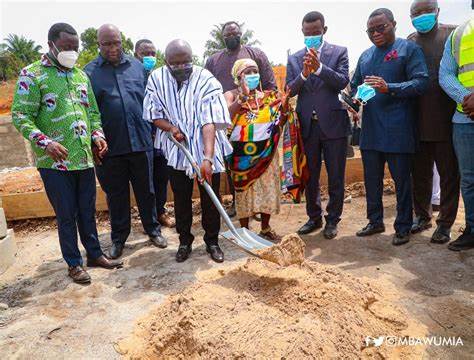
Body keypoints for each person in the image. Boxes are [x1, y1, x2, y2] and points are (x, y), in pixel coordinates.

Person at [11, 23, 122, 284]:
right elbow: (20, 116)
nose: (72, 52)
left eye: (75, 47)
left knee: (87, 210)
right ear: (51, 45)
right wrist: (45, 142)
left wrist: (98, 135)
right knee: (66, 214)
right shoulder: (32, 75)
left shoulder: (81, 76)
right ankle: (74, 264)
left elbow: (92, 113)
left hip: (83, 158)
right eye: (66, 47)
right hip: (55, 162)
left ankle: (94, 254)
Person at [143, 39, 232, 263]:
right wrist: (171, 128)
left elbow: (209, 121)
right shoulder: (156, 79)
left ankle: (212, 241)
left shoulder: (205, 79)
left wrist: (207, 158)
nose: (182, 67)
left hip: (206, 146)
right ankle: (185, 241)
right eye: (176, 63)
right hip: (178, 150)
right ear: (166, 62)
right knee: (181, 198)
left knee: (210, 199)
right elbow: (153, 114)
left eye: (187, 62)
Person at [84, 24, 166, 259]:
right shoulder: (89, 73)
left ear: (122, 42)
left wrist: (153, 131)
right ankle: (119, 238)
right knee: (116, 195)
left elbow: (151, 101)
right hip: (110, 147)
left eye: (116, 42)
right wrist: (93, 141)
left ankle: (153, 230)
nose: (112, 48)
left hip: (141, 142)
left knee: (146, 191)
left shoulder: (138, 68)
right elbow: (87, 111)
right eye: (106, 43)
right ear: (98, 44)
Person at [351, 8, 429, 245]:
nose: (375, 33)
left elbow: (421, 82)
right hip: (371, 130)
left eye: (381, 27)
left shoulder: (409, 49)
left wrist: (389, 87)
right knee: (371, 180)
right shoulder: (365, 56)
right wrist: (351, 101)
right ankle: (375, 221)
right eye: (371, 30)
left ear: (394, 24)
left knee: (402, 181)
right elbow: (355, 87)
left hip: (398, 128)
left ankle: (403, 226)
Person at [286, 11, 350, 239]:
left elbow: (343, 81)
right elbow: (289, 90)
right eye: (307, 32)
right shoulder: (294, 59)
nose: (311, 35)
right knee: (310, 175)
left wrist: (320, 68)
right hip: (307, 127)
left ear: (324, 30)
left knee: (336, 176)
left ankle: (332, 220)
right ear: (302, 32)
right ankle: (314, 217)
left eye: (316, 32)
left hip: (333, 124)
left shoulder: (339, 52)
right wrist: (304, 74)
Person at [205, 21, 277, 218]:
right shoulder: (214, 60)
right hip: (227, 120)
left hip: (256, 120)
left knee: (258, 162)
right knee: (233, 164)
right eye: (227, 34)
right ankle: (239, 203)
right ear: (222, 37)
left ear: (241, 34)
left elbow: (270, 85)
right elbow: (206, 90)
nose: (231, 37)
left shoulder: (256, 55)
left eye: (234, 33)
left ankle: (258, 206)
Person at [407, 0, 459, 244]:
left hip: (446, 120)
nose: (421, 16)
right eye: (416, 13)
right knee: (420, 174)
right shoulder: (410, 41)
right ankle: (422, 216)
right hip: (416, 120)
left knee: (449, 175)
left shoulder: (452, 34)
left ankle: (445, 224)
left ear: (437, 11)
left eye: (426, 11)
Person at [224, 59, 291, 240]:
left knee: (267, 189)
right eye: (248, 72)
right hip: (240, 155)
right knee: (243, 192)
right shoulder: (230, 95)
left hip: (266, 153)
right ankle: (245, 231)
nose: (253, 75)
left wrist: (284, 110)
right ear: (238, 77)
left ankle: (265, 228)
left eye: (255, 71)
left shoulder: (269, 97)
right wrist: (242, 98)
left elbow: (280, 122)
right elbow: (225, 116)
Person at [439, 14, 474, 251]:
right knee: (469, 179)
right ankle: (472, 228)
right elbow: (446, 74)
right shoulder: (458, 34)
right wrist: (465, 98)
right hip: (465, 117)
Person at [134, 39, 175, 228]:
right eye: (145, 54)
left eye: (152, 54)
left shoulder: (160, 78)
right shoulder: (133, 77)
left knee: (161, 177)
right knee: (145, 181)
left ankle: (160, 211)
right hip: (141, 138)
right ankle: (148, 219)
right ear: (136, 55)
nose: (149, 57)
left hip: (160, 137)